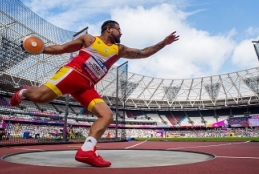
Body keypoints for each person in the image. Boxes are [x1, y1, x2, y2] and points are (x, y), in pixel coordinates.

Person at [10, 20, 179, 167]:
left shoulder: (119, 49)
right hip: (73, 73)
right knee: (40, 98)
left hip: (87, 86)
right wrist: (41, 49)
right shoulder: (89, 39)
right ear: (109, 29)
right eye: (119, 29)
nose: (121, 32)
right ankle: (24, 92)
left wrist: (164, 42)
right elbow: (62, 48)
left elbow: (143, 53)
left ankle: (87, 151)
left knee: (106, 115)